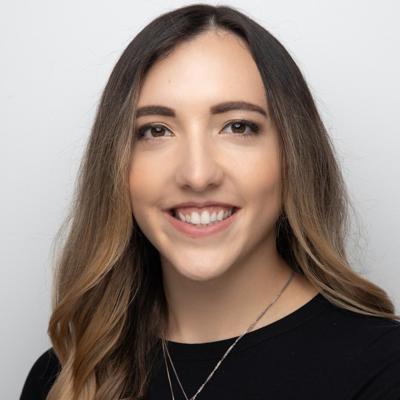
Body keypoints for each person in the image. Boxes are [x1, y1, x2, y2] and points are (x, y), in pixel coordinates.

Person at [20, 4, 400, 400]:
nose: (197, 175)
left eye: (237, 126)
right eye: (156, 131)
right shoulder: (62, 379)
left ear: (294, 154)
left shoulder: (384, 369)